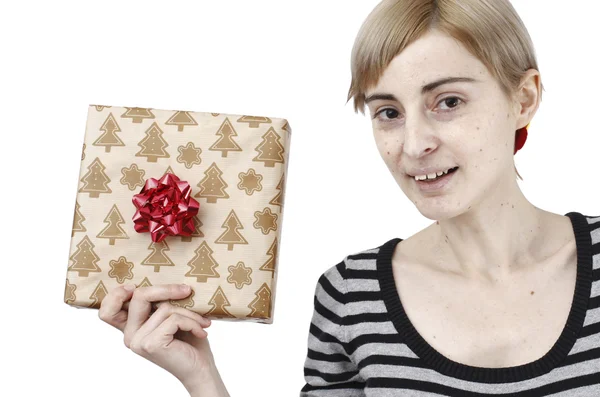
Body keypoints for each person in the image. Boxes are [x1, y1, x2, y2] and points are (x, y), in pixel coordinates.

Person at [99, 0, 600, 395]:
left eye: (448, 102)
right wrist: (200, 378)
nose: (414, 144)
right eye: (388, 112)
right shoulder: (350, 298)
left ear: (524, 98)